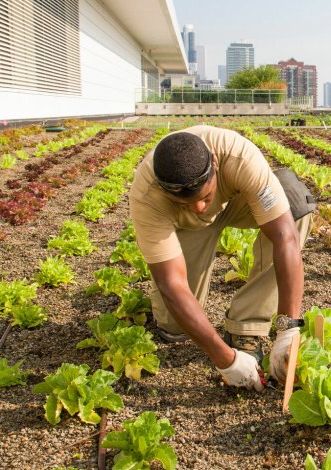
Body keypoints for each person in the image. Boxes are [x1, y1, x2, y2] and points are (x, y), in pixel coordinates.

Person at [129, 125, 316, 391]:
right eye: (185, 202)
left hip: (237, 202)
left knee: (296, 206)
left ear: (214, 164)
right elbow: (172, 285)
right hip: (186, 227)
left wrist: (288, 328)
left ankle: (246, 326)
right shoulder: (148, 196)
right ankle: (180, 320)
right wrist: (225, 360)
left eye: (205, 197)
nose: (200, 208)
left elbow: (285, 236)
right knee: (174, 328)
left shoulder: (238, 157)